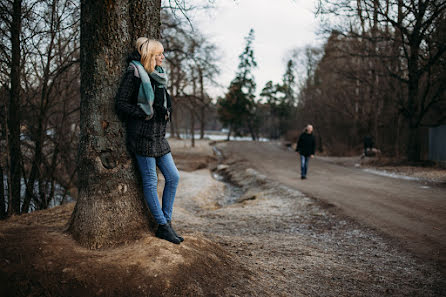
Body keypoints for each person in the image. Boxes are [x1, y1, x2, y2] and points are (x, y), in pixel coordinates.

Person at [115, 37, 183, 245]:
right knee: (151, 182)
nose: (163, 57)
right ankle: (162, 226)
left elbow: (162, 102)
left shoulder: (159, 75)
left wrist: (165, 111)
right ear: (150, 56)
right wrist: (143, 113)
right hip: (142, 137)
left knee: (173, 177)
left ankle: (167, 222)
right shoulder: (134, 73)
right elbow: (121, 104)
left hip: (159, 137)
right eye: (159, 54)